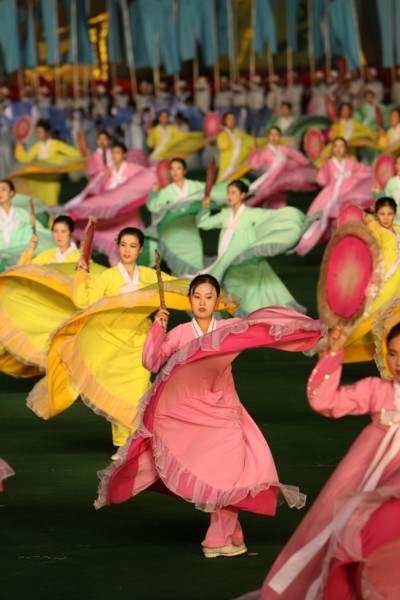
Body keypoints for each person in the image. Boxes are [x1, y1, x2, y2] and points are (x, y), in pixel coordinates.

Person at [95, 275, 328, 557]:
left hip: (223, 411)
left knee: (237, 470)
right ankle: (218, 539)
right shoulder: (180, 333)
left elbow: (263, 329)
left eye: (208, 297)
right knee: (223, 473)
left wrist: (310, 329)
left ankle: (228, 535)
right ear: (189, 300)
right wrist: (158, 327)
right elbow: (151, 362)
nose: (203, 302)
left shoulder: (229, 328)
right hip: (186, 415)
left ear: (217, 301)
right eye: (197, 297)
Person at [259, 316, 400, 599]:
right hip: (366, 480)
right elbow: (324, 401)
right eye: (393, 353)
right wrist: (333, 354)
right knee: (346, 535)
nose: (397, 362)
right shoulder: (377, 390)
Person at [27, 227, 176, 452]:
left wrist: (204, 290)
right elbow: (83, 301)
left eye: (133, 246)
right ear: (118, 247)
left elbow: (177, 287)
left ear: (141, 249)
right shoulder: (108, 276)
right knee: (118, 392)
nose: (127, 250)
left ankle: (136, 444)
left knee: (138, 391)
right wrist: (80, 275)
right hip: (110, 341)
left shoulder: (148, 274)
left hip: (140, 342)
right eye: (123, 245)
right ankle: (124, 446)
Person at [197, 180, 306, 316]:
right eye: (228, 193)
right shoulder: (225, 215)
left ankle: (257, 318)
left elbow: (271, 217)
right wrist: (204, 208)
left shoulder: (251, 214)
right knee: (226, 289)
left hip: (245, 260)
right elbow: (204, 223)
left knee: (252, 293)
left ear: (242, 195)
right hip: (227, 261)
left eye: (233, 193)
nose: (229, 196)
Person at [146, 157, 226, 275]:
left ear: (184, 171)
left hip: (190, 231)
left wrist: (207, 201)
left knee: (197, 267)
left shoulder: (195, 186)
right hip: (173, 235)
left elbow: (214, 193)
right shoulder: (166, 191)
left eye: (178, 168)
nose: (175, 172)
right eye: (172, 169)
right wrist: (154, 191)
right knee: (178, 272)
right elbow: (152, 206)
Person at [295, 137, 374, 255]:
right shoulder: (329, 163)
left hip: (347, 196)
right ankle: (310, 243)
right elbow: (321, 180)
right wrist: (323, 168)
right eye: (336, 146)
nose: (338, 149)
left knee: (343, 221)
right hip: (330, 196)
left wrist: (355, 174)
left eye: (341, 146)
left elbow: (368, 172)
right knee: (319, 219)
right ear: (333, 148)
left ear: (345, 149)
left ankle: (342, 247)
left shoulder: (351, 163)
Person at [13, 119, 84, 206]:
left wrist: (81, 152)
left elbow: (70, 151)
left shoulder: (55, 144)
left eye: (40, 132)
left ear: (47, 133)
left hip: (52, 174)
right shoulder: (37, 146)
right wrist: (19, 145)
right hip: (41, 175)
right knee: (35, 194)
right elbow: (26, 158)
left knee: (52, 197)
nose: (38, 134)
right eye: (37, 132)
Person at [248, 126, 317, 208]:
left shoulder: (284, 149)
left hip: (283, 179)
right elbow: (256, 166)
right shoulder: (265, 152)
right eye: (271, 134)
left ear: (280, 136)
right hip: (271, 180)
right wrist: (255, 152)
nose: (274, 137)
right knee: (266, 197)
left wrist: (307, 162)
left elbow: (298, 157)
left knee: (280, 201)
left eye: (276, 134)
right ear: (268, 137)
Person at [0, 178, 53, 271]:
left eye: (3, 190)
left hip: (19, 253)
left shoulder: (22, 213)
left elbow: (30, 232)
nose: (0, 193)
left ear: (11, 193)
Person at [216, 111, 264, 182]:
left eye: (233, 119)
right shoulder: (221, 135)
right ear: (225, 121)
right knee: (222, 182)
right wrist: (224, 133)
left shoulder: (238, 133)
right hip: (227, 165)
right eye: (229, 119)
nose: (232, 121)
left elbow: (250, 141)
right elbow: (224, 146)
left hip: (238, 165)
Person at [384, 154, 400, 222]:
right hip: (395, 222)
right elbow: (387, 203)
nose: (398, 166)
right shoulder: (391, 182)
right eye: (397, 163)